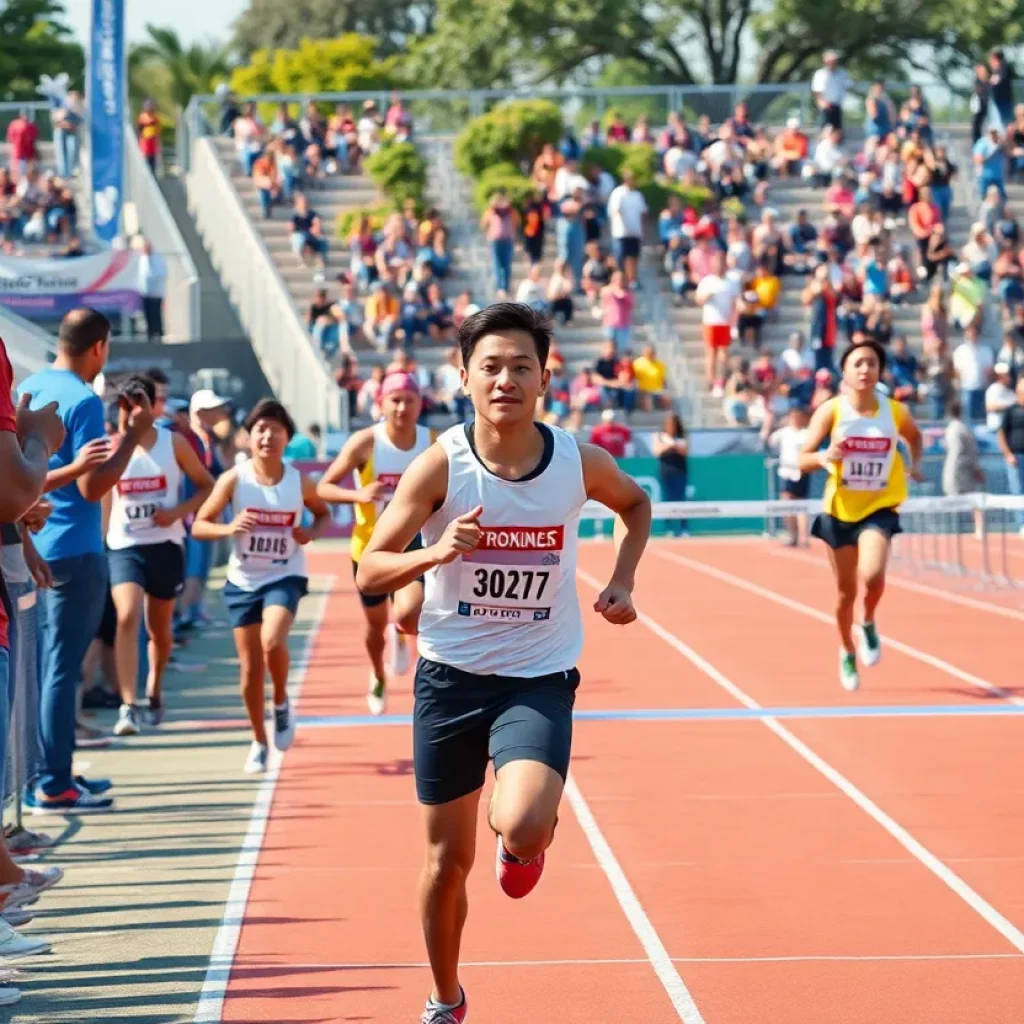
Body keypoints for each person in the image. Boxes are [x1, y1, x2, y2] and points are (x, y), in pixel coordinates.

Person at [355, 303, 652, 1023]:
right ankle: (445, 1000)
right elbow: (369, 571)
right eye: (491, 366)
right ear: (464, 378)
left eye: (522, 366)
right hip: (449, 682)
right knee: (444, 865)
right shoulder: (442, 464)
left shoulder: (576, 461)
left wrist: (623, 579)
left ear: (546, 378)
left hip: (537, 678)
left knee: (520, 822)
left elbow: (636, 505)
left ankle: (523, 845)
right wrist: (435, 551)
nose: (506, 380)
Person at [18, 308, 155, 813]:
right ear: (100, 347)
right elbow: (92, 484)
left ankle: (51, 772)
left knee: (44, 668)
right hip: (74, 548)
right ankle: (53, 783)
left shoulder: (28, 386)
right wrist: (134, 438)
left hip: (30, 543)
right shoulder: (83, 399)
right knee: (61, 669)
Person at [191, 399, 330, 774]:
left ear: (287, 438)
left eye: (276, 430)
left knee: (273, 640)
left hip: (285, 574)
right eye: (260, 430)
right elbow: (199, 525)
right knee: (251, 670)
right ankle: (258, 739)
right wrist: (228, 528)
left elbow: (323, 513)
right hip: (243, 581)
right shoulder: (234, 479)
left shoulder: (298, 480)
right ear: (248, 438)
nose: (268, 436)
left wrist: (310, 532)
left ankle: (281, 702)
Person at [797, 338, 923, 692]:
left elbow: (914, 437)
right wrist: (824, 458)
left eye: (871, 363)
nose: (865, 369)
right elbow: (802, 458)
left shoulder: (894, 412)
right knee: (844, 594)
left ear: (880, 370)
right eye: (858, 363)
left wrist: (915, 464)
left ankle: (867, 621)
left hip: (879, 506)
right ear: (845, 372)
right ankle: (846, 649)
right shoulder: (831, 411)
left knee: (874, 575)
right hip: (839, 511)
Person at [103, 375, 215, 736]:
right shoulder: (112, 446)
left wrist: (179, 510)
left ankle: (154, 686)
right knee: (126, 615)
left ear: (154, 407)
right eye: (125, 405)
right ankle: (127, 705)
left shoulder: (174, 443)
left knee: (160, 632)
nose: (131, 412)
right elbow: (99, 496)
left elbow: (206, 486)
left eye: (139, 404)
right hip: (124, 546)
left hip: (166, 545)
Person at [316, 372, 432, 714]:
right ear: (381, 403)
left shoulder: (433, 442)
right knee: (374, 626)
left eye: (409, 400)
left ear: (419, 404)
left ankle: (404, 635)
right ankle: (377, 672)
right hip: (369, 548)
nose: (401, 407)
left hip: (414, 545)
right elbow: (324, 487)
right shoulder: (365, 443)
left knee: (412, 611)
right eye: (394, 400)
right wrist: (358, 494)